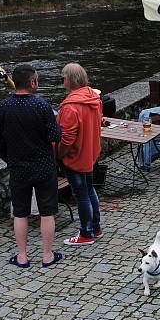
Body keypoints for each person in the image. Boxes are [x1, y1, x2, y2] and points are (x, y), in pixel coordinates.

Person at [0, 64, 63, 268]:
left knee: (20, 212)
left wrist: (11, 160)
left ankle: (22, 256)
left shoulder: (3, 107)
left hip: (18, 168)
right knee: (47, 212)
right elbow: (55, 136)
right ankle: (47, 255)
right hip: (43, 166)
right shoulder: (41, 105)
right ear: (32, 82)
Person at [58, 63, 104, 246]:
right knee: (89, 189)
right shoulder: (94, 98)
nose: (62, 81)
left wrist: (60, 154)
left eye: (62, 78)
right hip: (90, 154)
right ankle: (96, 227)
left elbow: (67, 138)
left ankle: (86, 233)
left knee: (81, 194)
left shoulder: (71, 106)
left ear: (69, 80)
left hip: (75, 157)